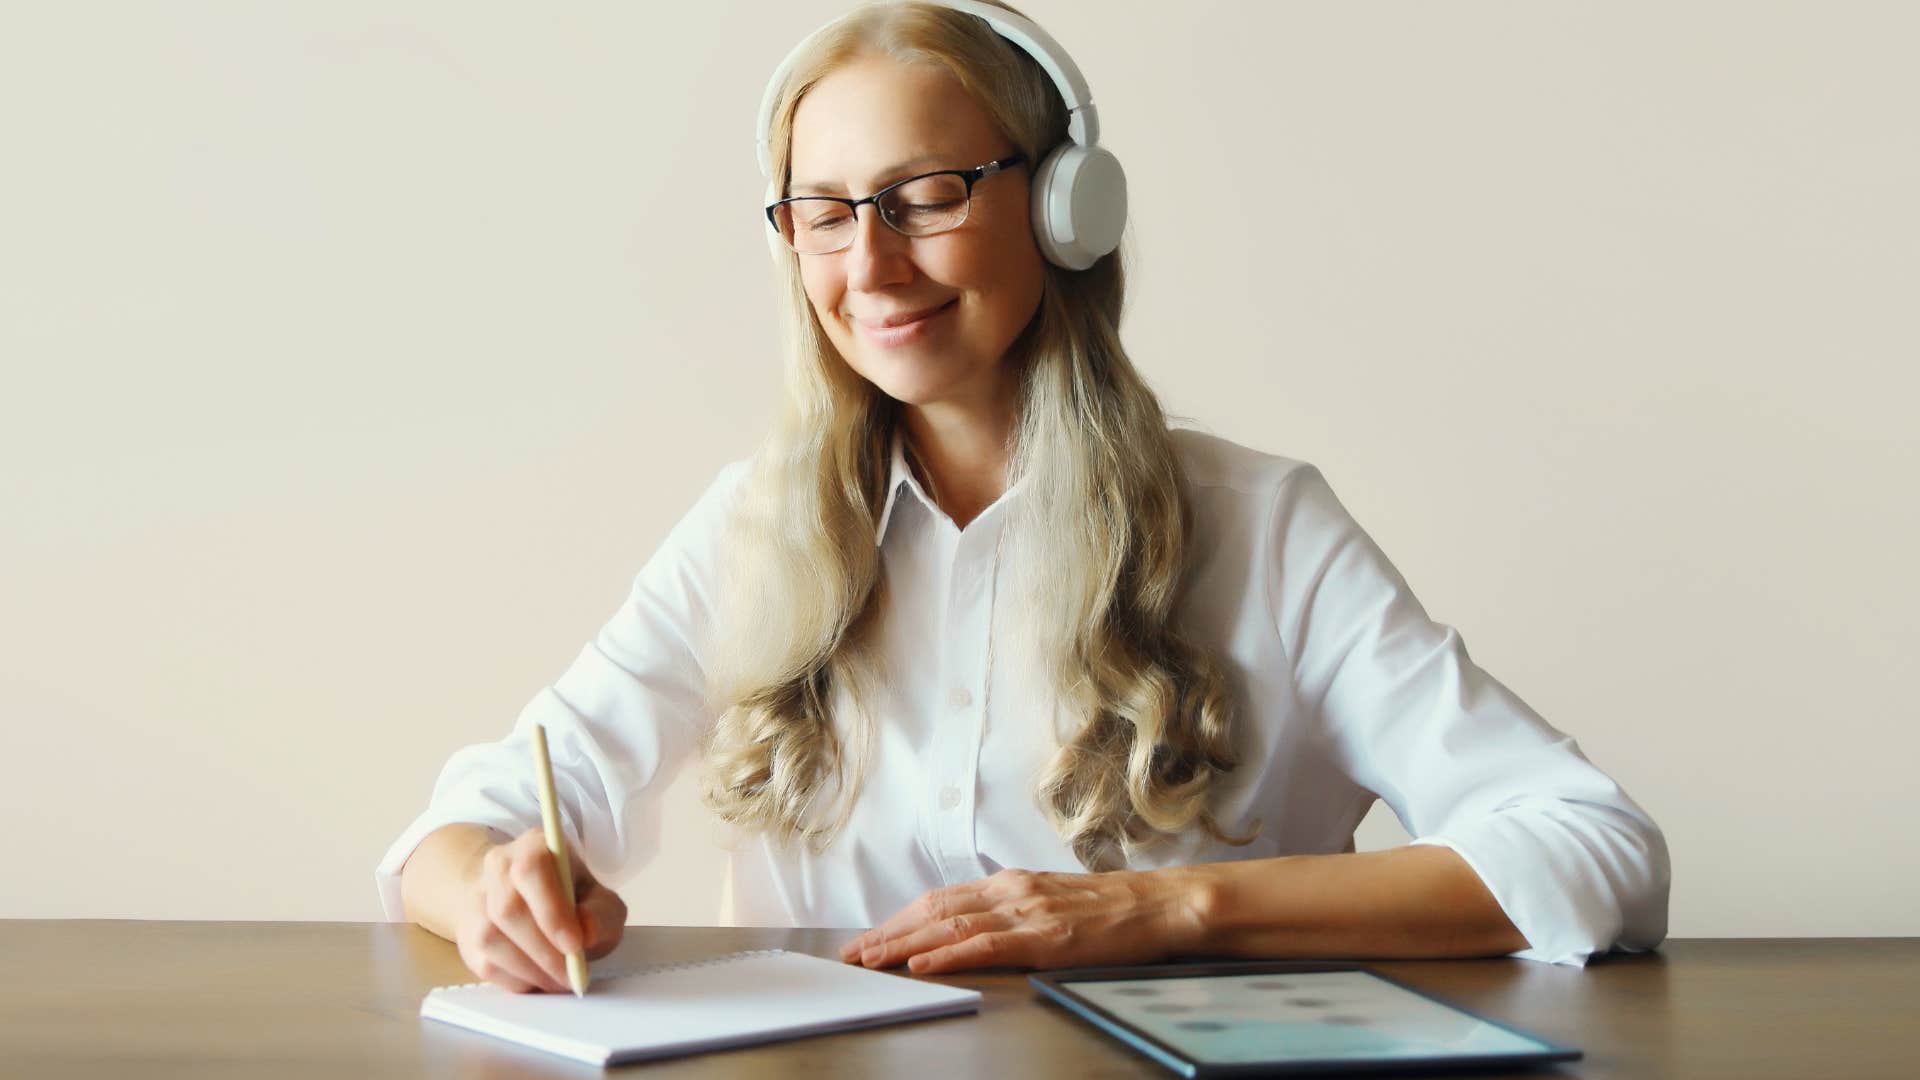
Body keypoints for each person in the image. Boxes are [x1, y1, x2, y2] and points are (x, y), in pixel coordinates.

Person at [377, 0, 1669, 995]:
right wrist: (498, 886)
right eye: (822, 214)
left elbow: (1596, 850)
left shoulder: (1263, 528)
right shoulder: (753, 529)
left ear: (1065, 210)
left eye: (923, 196)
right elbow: (455, 830)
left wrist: (1165, 911)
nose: (869, 264)